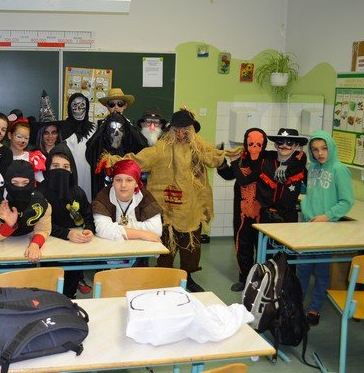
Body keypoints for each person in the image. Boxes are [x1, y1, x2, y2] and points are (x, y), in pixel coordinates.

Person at [101, 108, 241, 292]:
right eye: (177, 130)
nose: (181, 134)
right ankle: (165, 277)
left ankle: (187, 277)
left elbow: (214, 157)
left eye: (185, 130)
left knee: (190, 246)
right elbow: (138, 160)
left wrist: (228, 157)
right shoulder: (160, 148)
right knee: (165, 245)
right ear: (171, 130)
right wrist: (114, 161)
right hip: (165, 207)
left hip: (191, 208)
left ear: (192, 130)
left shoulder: (199, 148)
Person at [298, 130, 354, 326]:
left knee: (322, 271)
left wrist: (326, 216)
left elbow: (346, 201)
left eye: (324, 148)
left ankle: (314, 308)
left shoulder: (339, 169)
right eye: (315, 150)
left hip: (326, 229)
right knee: (302, 269)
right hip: (308, 227)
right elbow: (311, 192)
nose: (320, 153)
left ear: (331, 148)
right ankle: (297, 305)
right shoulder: (312, 167)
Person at [39, 143, 95, 297]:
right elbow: (41, 223)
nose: (60, 170)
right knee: (51, 287)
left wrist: (89, 229)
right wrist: (66, 234)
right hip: (49, 246)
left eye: (65, 167)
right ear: (48, 167)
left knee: (70, 286)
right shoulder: (40, 193)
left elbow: (88, 215)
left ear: (71, 170)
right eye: (55, 166)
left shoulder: (77, 192)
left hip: (75, 248)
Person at [217, 128, 269, 291]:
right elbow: (228, 175)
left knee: (262, 247)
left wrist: (233, 161)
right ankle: (244, 278)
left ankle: (263, 279)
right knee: (242, 244)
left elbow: (245, 180)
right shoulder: (242, 159)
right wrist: (220, 162)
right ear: (246, 143)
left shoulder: (267, 162)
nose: (254, 148)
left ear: (264, 145)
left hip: (262, 212)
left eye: (258, 144)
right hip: (242, 212)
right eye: (251, 144)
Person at [0, 160, 52, 263]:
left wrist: (35, 244)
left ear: (32, 182)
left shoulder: (41, 203)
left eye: (25, 183)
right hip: (2, 249)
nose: (20, 188)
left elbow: (43, 230)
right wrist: (9, 225)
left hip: (27, 243)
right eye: (15, 183)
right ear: (7, 182)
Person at [92, 159, 162, 243]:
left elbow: (156, 230)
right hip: (112, 246)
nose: (123, 185)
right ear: (113, 182)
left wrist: (120, 227)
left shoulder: (145, 196)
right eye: (118, 180)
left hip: (140, 247)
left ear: (136, 183)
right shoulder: (103, 197)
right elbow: (102, 229)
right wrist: (141, 234)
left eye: (129, 180)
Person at [86, 112, 146, 199]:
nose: (116, 133)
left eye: (120, 129)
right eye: (112, 130)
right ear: (107, 132)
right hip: (105, 199)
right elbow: (91, 149)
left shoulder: (130, 154)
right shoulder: (99, 153)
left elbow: (141, 145)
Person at [257, 128, 308, 223]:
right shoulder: (265, 161)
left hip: (289, 218)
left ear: (296, 146)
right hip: (266, 216)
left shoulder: (299, 166)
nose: (284, 145)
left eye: (289, 143)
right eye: (280, 142)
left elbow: (313, 188)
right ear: (275, 145)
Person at [60, 92, 96, 201]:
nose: (78, 109)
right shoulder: (62, 128)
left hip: (88, 173)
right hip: (67, 171)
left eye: (82, 105)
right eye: (74, 105)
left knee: (86, 199)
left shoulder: (94, 128)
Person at [8, 116, 46, 183]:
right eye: (19, 136)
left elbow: (42, 183)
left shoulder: (33, 158)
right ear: (10, 135)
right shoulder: (2, 157)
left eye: (26, 138)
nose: (23, 141)